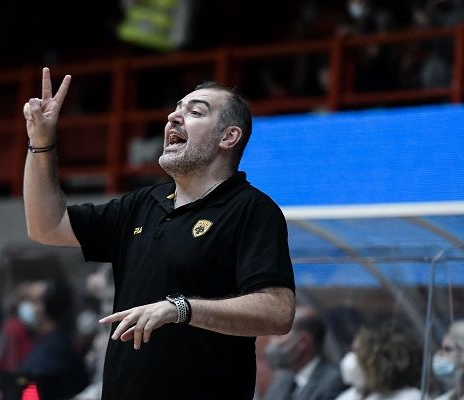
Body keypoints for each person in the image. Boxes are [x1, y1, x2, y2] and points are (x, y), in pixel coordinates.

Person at [22, 67, 295, 399]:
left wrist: (180, 309)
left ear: (228, 137)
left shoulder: (252, 209)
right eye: (176, 108)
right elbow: (47, 226)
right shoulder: (143, 203)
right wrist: (41, 143)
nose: (172, 117)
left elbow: (278, 311)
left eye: (195, 112)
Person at [262, 305, 347, 400]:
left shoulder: (333, 383)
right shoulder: (283, 379)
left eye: (280, 335)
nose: (273, 342)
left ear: (303, 342)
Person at [336, 322, 422, 400]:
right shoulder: (347, 396)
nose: (351, 360)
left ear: (379, 363)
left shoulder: (411, 397)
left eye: (357, 354)